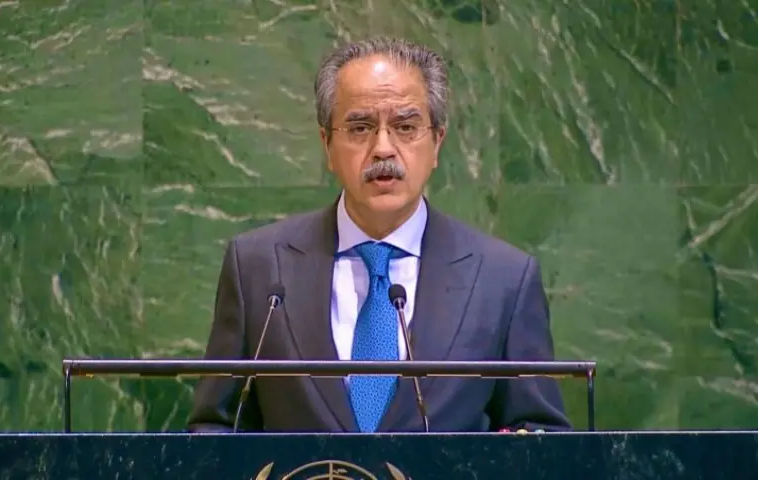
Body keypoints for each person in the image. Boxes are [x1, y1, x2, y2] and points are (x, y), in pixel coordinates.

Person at [187, 36, 571, 433]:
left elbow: (540, 437)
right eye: (360, 127)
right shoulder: (258, 266)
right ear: (327, 144)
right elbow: (215, 429)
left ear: (437, 142)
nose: (383, 148)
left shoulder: (503, 279)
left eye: (405, 127)